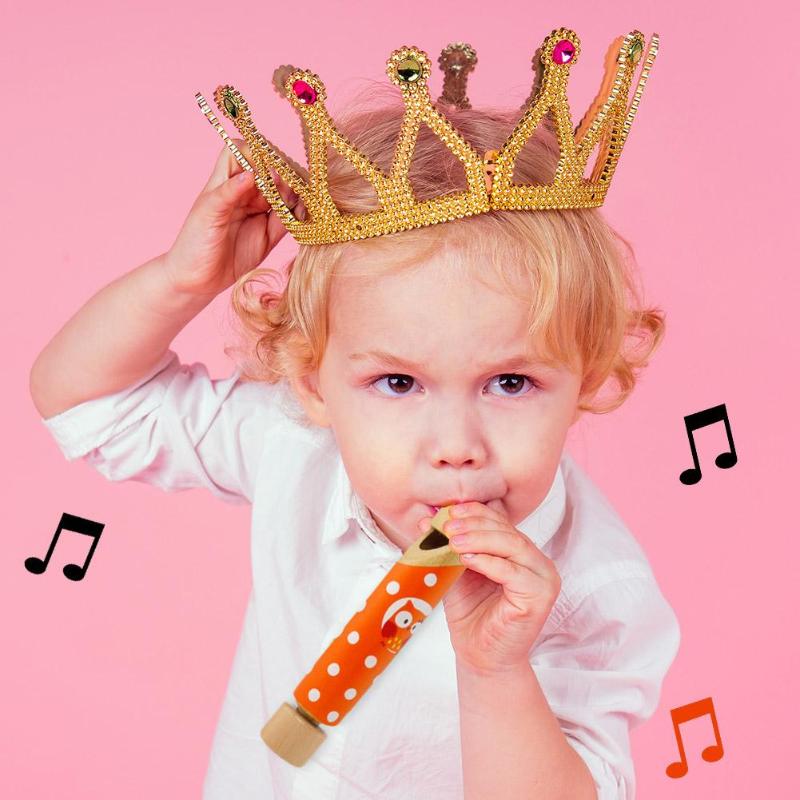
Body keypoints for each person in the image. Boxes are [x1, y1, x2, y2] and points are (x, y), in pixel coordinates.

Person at [30, 53, 680, 799]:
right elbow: (85, 402)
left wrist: (497, 671)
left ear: (588, 380)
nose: (457, 448)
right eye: (397, 382)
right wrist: (183, 280)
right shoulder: (297, 447)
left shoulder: (596, 590)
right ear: (312, 385)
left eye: (511, 382)